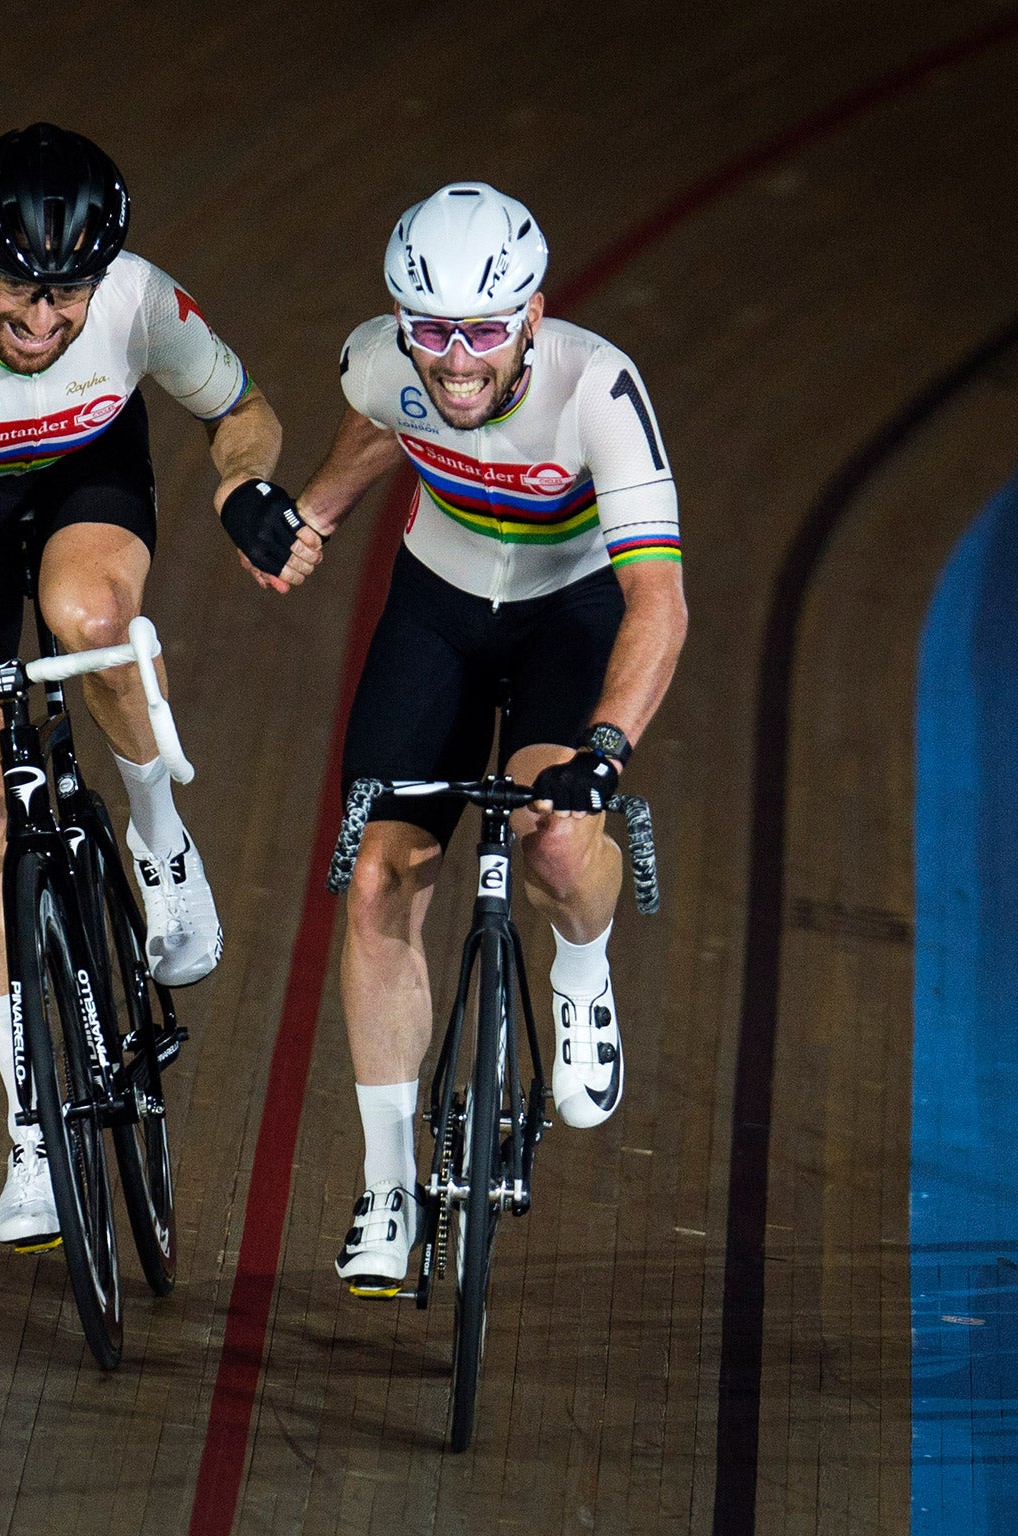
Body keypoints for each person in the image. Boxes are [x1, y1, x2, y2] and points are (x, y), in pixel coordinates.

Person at [0, 124, 316, 1252]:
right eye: (18, 295)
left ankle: (159, 837)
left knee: (94, 624)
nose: (41, 322)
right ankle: (32, 1127)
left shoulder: (140, 300)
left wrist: (244, 490)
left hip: (85, 474)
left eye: (66, 296)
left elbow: (243, 410)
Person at [269, 182, 687, 1295]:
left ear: (532, 316)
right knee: (375, 883)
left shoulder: (597, 387)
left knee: (554, 841)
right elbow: (375, 424)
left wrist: (605, 745)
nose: (454, 361)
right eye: (431, 330)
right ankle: (389, 1185)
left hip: (569, 617)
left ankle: (581, 971)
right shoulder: (382, 358)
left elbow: (658, 600)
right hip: (437, 610)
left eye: (482, 331)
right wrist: (309, 513)